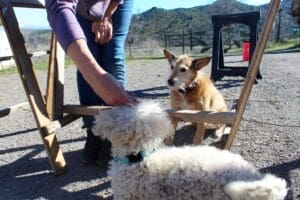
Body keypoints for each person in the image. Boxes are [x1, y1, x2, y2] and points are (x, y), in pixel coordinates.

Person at [46, 0, 135, 166]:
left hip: (117, 3)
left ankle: (114, 132)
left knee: (112, 55)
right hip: (82, 6)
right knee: (87, 58)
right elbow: (58, 5)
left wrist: (105, 17)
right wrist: (95, 76)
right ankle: (93, 131)